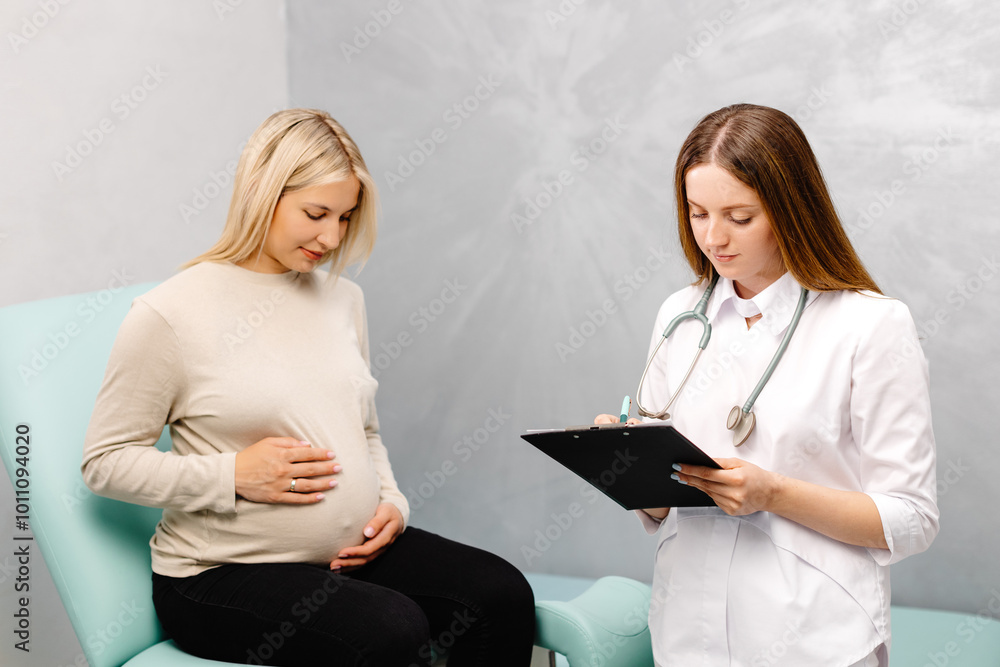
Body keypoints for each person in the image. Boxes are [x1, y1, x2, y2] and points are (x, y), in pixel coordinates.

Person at [82, 108, 535, 666]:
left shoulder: (343, 299)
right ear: (261, 192)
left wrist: (391, 501)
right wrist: (234, 475)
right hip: (220, 576)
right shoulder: (170, 314)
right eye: (316, 213)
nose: (331, 236)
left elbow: (363, 428)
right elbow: (105, 462)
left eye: (344, 218)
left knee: (501, 595)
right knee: (391, 631)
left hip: (345, 556)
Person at [595, 103, 938, 666]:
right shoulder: (681, 314)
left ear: (790, 208)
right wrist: (629, 462)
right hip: (689, 634)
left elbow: (911, 519)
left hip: (816, 639)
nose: (713, 237)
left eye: (740, 216)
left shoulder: (872, 325)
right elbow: (660, 508)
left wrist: (773, 494)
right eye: (697, 212)